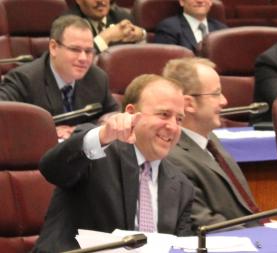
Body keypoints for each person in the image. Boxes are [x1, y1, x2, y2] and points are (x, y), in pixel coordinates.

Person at [31, 74, 194, 253]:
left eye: (179, 119)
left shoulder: (181, 185)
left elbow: (181, 248)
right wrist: (102, 137)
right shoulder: (96, 152)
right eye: (164, 114)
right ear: (131, 113)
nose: (173, 127)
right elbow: (52, 169)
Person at [162, 57, 260, 233]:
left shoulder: (210, 140)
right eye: (216, 94)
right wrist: (263, 237)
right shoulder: (171, 157)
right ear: (188, 104)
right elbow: (203, 223)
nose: (224, 101)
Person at [0, 15, 119, 139]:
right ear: (54, 47)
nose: (83, 58)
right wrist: (47, 132)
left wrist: (81, 130)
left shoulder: (97, 78)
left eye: (88, 51)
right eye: (75, 49)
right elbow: (4, 121)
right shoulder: (24, 79)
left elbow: (113, 113)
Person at [66, 0, 146, 53]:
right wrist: (106, 37)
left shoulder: (122, 16)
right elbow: (77, 57)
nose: (101, 1)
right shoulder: (68, 23)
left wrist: (141, 34)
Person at [154, 0, 227, 54]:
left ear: (210, 1)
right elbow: (167, 62)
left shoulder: (222, 29)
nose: (200, 1)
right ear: (182, 1)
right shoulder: (168, 28)